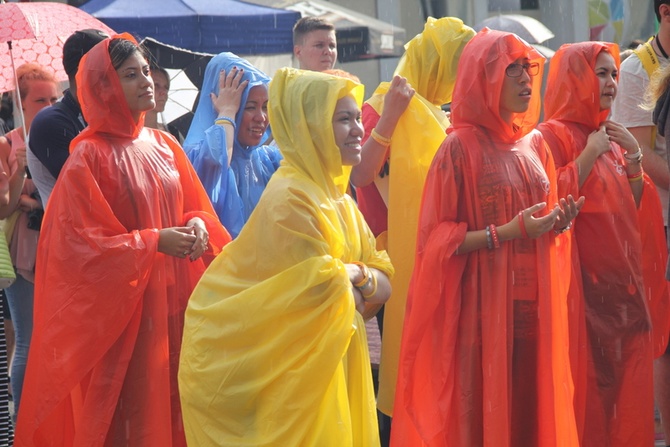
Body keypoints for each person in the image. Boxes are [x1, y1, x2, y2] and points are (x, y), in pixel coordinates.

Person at [14, 34, 230, 446]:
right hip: (125, 316)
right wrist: (152, 242)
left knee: (179, 404)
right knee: (129, 417)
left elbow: (195, 206)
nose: (146, 81)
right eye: (130, 75)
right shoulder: (87, 156)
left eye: (146, 71)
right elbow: (78, 249)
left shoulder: (166, 145)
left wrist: (199, 225)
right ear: (104, 87)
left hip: (175, 308)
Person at [179, 68, 393, 446]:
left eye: (358, 117)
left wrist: (354, 274)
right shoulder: (292, 198)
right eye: (344, 119)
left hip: (334, 362)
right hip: (293, 381)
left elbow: (382, 282)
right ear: (310, 126)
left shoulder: (338, 198)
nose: (359, 129)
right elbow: (323, 296)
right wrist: (360, 282)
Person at [390, 28, 581, 446]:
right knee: (479, 423)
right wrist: (505, 233)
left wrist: (558, 223)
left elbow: (539, 222)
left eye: (527, 68)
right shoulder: (457, 148)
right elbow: (436, 240)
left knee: (531, 419)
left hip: (532, 314)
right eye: (510, 69)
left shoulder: (536, 146)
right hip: (478, 317)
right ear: (482, 78)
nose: (524, 79)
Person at [349, 17, 475, 431]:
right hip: (394, 260)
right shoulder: (384, 104)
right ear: (437, 65)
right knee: (406, 364)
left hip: (440, 252)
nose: (461, 79)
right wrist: (392, 116)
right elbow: (360, 175)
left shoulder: (440, 113)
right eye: (457, 67)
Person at [538, 41, 667, 446]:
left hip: (618, 297)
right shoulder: (551, 136)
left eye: (614, 74)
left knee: (622, 408)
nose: (612, 82)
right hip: (580, 294)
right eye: (602, 73)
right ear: (575, 78)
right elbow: (545, 205)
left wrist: (632, 162)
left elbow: (630, 213)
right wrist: (590, 154)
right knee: (583, 404)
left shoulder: (611, 135)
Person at [611, 2, 670, 443]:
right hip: (661, 223)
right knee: (666, 341)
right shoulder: (638, 69)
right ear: (665, 12)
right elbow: (640, 154)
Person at [0, 62, 59, 421]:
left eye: (55, 98)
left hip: (57, 249)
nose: (50, 106)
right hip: (23, 253)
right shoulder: (11, 143)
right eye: (40, 100)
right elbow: (4, 205)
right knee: (29, 337)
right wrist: (23, 184)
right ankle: (24, 421)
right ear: (20, 104)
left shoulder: (62, 136)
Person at [183, 52, 282, 238]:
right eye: (250, 107)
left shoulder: (266, 159)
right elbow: (218, 161)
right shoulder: (197, 154)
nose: (261, 118)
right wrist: (227, 111)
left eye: (265, 107)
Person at [28, 28, 109, 209]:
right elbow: (90, 190)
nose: (116, 72)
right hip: (70, 234)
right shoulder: (50, 121)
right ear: (86, 68)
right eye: (110, 63)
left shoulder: (102, 113)